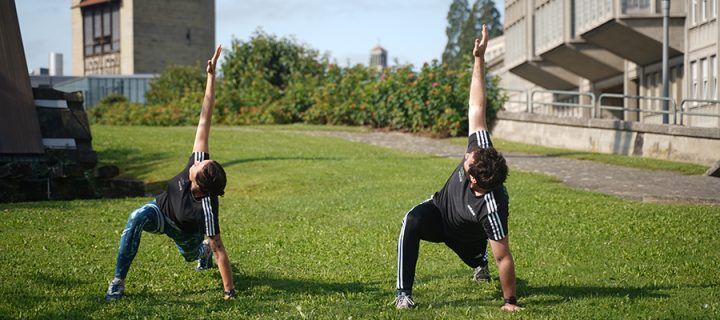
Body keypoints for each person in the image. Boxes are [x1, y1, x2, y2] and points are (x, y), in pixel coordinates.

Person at [393, 25, 522, 312]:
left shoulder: (492, 207)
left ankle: (478, 264)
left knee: (480, 258)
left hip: (466, 237)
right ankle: (404, 294)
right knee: (411, 220)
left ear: (476, 181)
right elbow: (477, 106)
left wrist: (509, 302)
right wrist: (479, 58)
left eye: (468, 165)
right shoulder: (480, 150)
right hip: (439, 213)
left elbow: (504, 256)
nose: (466, 158)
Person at [105, 45, 236, 301]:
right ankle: (118, 282)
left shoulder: (207, 208)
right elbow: (204, 119)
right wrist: (211, 77)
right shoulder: (197, 161)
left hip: (185, 233)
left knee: (192, 254)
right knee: (136, 217)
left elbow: (220, 248)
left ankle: (201, 252)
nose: (196, 162)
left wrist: (229, 291)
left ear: (200, 182)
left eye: (199, 167)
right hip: (161, 211)